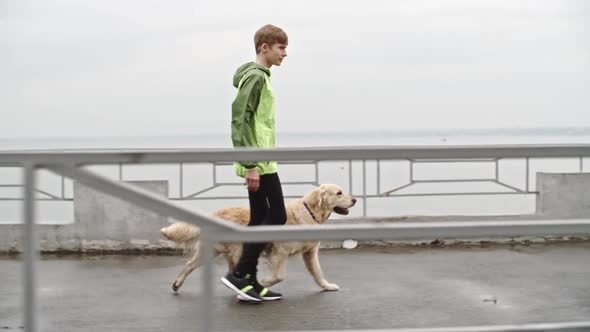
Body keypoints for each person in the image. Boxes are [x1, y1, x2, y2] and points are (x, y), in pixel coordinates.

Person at [220, 24, 288, 303]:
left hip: (263, 159)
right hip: (258, 161)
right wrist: (250, 164)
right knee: (277, 216)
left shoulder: (261, 77)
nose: (285, 53)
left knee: (260, 217)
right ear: (265, 47)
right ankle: (241, 274)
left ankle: (248, 280)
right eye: (281, 47)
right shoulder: (255, 78)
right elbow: (239, 119)